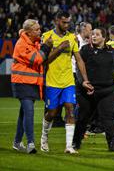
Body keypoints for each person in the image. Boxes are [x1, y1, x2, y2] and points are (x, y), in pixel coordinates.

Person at [73, 28, 114, 152]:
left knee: (109, 118)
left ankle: (113, 144)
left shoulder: (111, 51)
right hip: (88, 91)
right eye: (92, 34)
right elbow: (78, 68)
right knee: (83, 117)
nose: (94, 36)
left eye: (97, 34)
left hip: (107, 91)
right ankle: (76, 142)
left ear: (104, 38)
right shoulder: (85, 50)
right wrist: (83, 82)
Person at [40, 11, 93, 154]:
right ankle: (44, 137)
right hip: (52, 81)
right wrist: (59, 48)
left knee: (70, 109)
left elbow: (79, 59)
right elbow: (44, 61)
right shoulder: (47, 36)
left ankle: (69, 146)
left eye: (68, 22)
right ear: (57, 20)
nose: (66, 25)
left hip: (68, 81)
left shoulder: (71, 37)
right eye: (64, 22)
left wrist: (85, 79)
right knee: (52, 113)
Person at [11, 19, 53, 153]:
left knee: (23, 114)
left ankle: (17, 142)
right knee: (29, 112)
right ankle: (31, 143)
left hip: (31, 83)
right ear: (28, 32)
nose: (40, 31)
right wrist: (46, 46)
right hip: (22, 82)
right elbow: (38, 59)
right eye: (36, 29)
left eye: (39, 29)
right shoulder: (22, 44)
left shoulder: (33, 42)